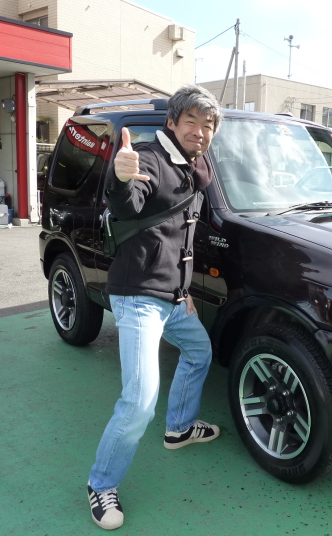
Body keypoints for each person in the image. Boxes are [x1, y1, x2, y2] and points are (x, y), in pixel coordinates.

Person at [87, 85, 223, 530]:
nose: (200, 131)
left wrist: (184, 291)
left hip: (173, 298)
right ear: (171, 123)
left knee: (199, 351)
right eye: (191, 122)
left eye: (208, 125)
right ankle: (101, 484)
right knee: (140, 401)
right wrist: (120, 177)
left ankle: (179, 427)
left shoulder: (195, 166)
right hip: (139, 298)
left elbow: (179, 236)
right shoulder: (149, 158)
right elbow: (128, 205)